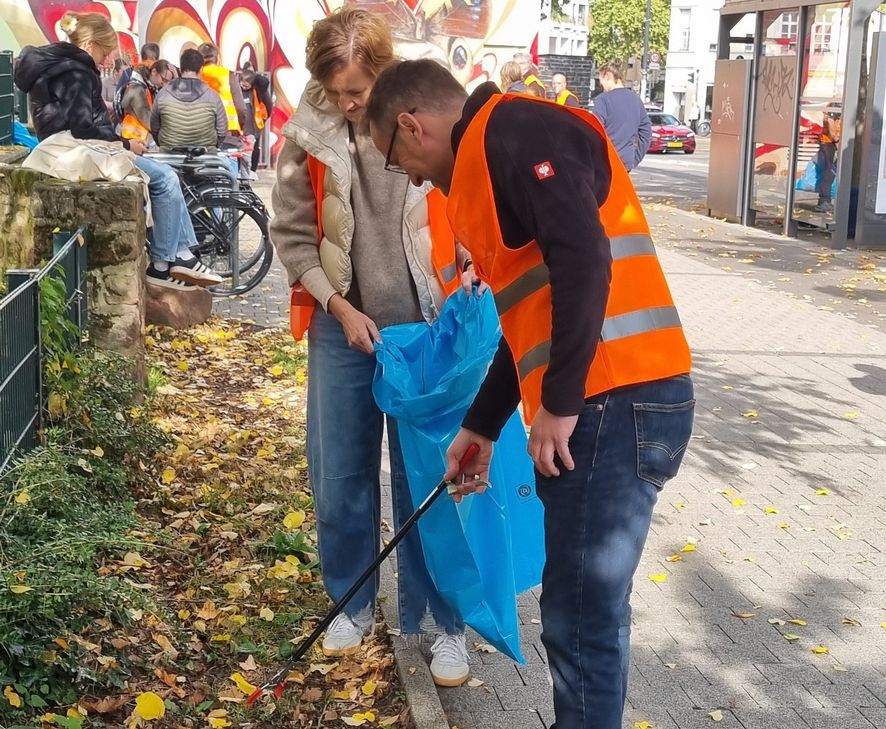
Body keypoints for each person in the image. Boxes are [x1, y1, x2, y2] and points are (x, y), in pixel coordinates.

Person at [365, 59, 695, 729]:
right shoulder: (491, 162)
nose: (414, 178)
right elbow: (529, 322)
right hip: (614, 402)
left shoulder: (512, 131)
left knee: (579, 621)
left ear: (412, 125)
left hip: (614, 401)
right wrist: (483, 427)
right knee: (584, 613)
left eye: (400, 161)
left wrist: (561, 404)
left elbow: (585, 258)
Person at [269, 8, 473, 688]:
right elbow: (293, 237)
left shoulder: (428, 109)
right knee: (340, 475)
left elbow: (470, 202)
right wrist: (338, 305)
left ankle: (447, 624)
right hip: (343, 325)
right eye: (336, 92)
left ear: (386, 75)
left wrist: (473, 267)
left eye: (358, 90)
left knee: (430, 482)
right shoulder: (309, 129)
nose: (349, 104)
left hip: (428, 328)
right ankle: (351, 602)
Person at [14, 11, 222, 291]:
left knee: (165, 176)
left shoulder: (57, 66)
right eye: (105, 52)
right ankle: (163, 264)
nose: (108, 60)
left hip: (62, 147)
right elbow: (83, 127)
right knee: (165, 178)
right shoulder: (75, 71)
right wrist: (125, 144)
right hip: (74, 149)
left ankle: (181, 255)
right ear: (89, 45)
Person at [151, 48, 227, 152]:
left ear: (181, 69)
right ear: (201, 70)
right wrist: (211, 147)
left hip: (170, 156)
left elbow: (154, 127)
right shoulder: (213, 96)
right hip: (205, 157)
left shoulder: (163, 95)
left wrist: (165, 144)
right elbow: (222, 131)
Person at [593, 61, 652, 172]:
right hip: (626, 161)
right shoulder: (635, 99)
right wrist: (635, 158)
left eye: (601, 80)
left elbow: (596, 129)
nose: (601, 85)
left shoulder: (603, 99)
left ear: (607, 77)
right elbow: (646, 132)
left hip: (606, 160)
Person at [119, 59, 175, 143]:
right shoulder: (137, 89)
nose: (164, 84)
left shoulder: (149, 87)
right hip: (133, 139)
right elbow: (149, 121)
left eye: (168, 82)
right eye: (164, 79)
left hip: (139, 139)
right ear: (154, 71)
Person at [239, 68, 273, 178]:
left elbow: (264, 82)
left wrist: (253, 76)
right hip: (240, 127)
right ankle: (241, 171)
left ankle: (251, 171)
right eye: (242, 83)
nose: (243, 87)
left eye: (247, 85)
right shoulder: (237, 90)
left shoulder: (257, 91)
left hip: (253, 126)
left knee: (251, 150)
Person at [815, 103, 841, 213]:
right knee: (830, 172)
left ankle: (824, 200)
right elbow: (831, 128)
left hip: (828, 143)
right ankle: (824, 201)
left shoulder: (830, 111)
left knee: (829, 171)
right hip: (830, 144)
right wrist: (836, 142)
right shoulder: (832, 113)